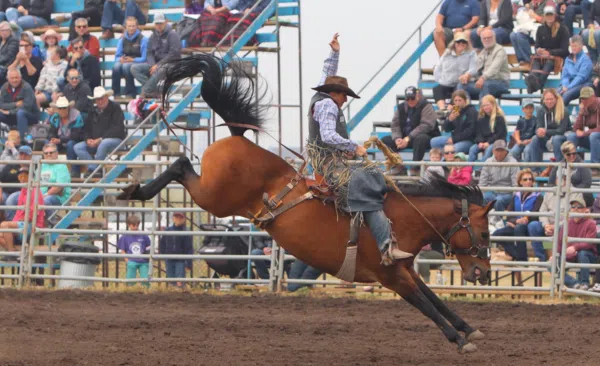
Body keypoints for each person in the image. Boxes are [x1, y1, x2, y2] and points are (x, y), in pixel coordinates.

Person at [306, 33, 412, 265]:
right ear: (336, 93)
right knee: (366, 190)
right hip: (329, 163)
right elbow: (328, 135)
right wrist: (354, 147)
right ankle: (385, 248)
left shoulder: (321, 97)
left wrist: (334, 53)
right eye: (345, 95)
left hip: (325, 159)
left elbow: (327, 74)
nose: (345, 100)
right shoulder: (328, 105)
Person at [492, 169, 544, 266]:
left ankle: (522, 260)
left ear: (533, 181)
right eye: (525, 179)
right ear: (520, 182)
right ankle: (518, 255)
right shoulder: (516, 195)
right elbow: (509, 214)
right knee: (496, 235)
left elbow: (536, 212)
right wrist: (516, 221)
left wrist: (525, 219)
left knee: (519, 228)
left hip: (529, 226)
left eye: (530, 179)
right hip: (516, 224)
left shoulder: (538, 196)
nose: (528, 181)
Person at [381, 86, 440, 173]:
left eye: (412, 98)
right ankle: (397, 165)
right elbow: (395, 124)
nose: (410, 101)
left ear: (418, 96)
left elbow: (426, 125)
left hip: (425, 137)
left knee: (421, 138)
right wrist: (397, 138)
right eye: (408, 99)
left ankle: (415, 168)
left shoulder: (427, 106)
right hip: (405, 138)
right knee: (384, 141)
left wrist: (408, 138)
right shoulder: (401, 107)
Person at [74, 87, 125, 177]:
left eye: (101, 98)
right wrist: (87, 139)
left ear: (106, 97)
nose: (100, 101)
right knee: (77, 147)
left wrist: (101, 139)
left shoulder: (116, 108)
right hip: (96, 141)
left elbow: (117, 129)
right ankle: (95, 168)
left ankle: (94, 170)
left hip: (115, 140)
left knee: (104, 143)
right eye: (98, 99)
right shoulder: (92, 111)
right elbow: (86, 129)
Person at [131, 13, 181, 98]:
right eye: (157, 23)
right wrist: (153, 65)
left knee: (160, 70)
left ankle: (146, 91)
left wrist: (157, 65)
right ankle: (152, 90)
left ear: (165, 22)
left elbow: (173, 54)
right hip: (156, 64)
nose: (159, 25)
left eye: (160, 23)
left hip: (172, 64)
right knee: (134, 68)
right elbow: (149, 52)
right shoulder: (153, 36)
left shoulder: (172, 34)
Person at [524, 6, 570, 93]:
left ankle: (535, 85)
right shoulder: (540, 29)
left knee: (549, 62)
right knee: (536, 60)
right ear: (544, 16)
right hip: (542, 56)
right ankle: (533, 79)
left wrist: (549, 52)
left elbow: (564, 50)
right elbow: (537, 45)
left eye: (551, 15)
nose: (549, 17)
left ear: (555, 15)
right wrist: (538, 50)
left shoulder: (563, 29)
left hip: (557, 57)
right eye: (547, 15)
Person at [0, 167, 44, 256]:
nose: (23, 179)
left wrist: (18, 222)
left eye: (25, 177)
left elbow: (33, 214)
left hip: (32, 225)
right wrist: (15, 223)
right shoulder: (23, 191)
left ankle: (12, 253)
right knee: (2, 231)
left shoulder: (35, 191)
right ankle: (14, 253)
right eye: (20, 177)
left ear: (31, 178)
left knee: (4, 225)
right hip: (23, 223)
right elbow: (19, 212)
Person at [557, 196, 597, 290]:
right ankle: (575, 284)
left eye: (579, 207)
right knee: (552, 264)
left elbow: (589, 243)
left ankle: (584, 283)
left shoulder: (590, 223)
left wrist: (575, 247)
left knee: (583, 253)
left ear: (585, 210)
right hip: (570, 254)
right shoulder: (566, 223)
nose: (575, 209)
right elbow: (559, 241)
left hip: (588, 255)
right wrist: (556, 254)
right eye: (573, 207)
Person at [458, 28, 510, 100]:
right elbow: (476, 68)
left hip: (500, 83)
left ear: (494, 38)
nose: (486, 40)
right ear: (481, 40)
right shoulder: (483, 52)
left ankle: (482, 110)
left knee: (485, 85)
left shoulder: (500, 50)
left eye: (489, 38)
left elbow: (494, 69)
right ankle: (465, 109)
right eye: (484, 38)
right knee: (461, 85)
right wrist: (467, 75)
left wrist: (482, 78)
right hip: (485, 82)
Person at [523, 88, 570, 167]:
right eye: (547, 99)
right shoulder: (540, 110)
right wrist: (539, 131)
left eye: (551, 99)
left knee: (556, 139)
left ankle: (561, 167)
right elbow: (538, 127)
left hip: (561, 137)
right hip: (547, 138)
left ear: (556, 99)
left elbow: (561, 130)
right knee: (535, 138)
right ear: (543, 100)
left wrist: (545, 131)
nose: (549, 101)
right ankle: (535, 170)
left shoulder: (563, 110)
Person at [432, 32, 478, 112]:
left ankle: (450, 110)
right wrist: (440, 80)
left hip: (460, 83)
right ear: (454, 43)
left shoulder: (471, 54)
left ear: (467, 43)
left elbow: (474, 69)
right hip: (446, 83)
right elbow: (438, 68)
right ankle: (442, 110)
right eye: (458, 42)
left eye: (463, 42)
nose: (461, 43)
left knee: (459, 89)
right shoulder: (446, 53)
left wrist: (467, 75)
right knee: (437, 88)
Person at [430, 90, 477, 154]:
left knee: (454, 148)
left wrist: (454, 139)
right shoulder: (455, 111)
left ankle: (445, 161)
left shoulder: (471, 111)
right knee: (434, 141)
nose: (457, 103)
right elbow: (446, 129)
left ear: (465, 101)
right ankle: (442, 160)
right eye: (455, 101)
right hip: (455, 139)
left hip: (468, 140)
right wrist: (449, 119)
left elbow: (470, 131)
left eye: (460, 100)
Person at [47, 97, 85, 178]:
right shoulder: (55, 117)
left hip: (75, 141)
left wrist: (60, 140)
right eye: (60, 108)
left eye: (64, 108)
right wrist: (53, 138)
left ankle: (75, 170)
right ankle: (51, 170)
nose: (62, 110)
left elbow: (76, 135)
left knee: (71, 144)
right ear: (57, 109)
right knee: (49, 145)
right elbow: (51, 132)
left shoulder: (76, 116)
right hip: (60, 141)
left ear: (68, 108)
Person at [479, 139, 520, 212]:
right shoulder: (488, 162)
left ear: (506, 151)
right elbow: (482, 183)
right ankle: (484, 220)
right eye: (497, 150)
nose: (499, 153)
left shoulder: (513, 162)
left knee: (498, 201)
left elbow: (516, 184)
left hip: (507, 193)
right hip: (492, 191)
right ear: (493, 151)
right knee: (482, 198)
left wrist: (514, 201)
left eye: (501, 150)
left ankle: (499, 221)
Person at [548, 141, 594, 206]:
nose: (572, 156)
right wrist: (561, 190)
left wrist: (571, 190)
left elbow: (587, 183)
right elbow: (550, 184)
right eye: (569, 154)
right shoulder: (558, 166)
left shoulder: (582, 165)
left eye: (574, 153)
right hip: (562, 194)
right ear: (563, 154)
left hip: (579, 195)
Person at [113, 16, 148, 98]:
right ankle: (116, 93)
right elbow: (117, 56)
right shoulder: (122, 39)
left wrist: (133, 59)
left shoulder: (143, 39)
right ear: (126, 27)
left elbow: (144, 58)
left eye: (133, 26)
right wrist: (120, 59)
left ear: (137, 26)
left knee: (126, 66)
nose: (131, 28)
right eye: (129, 26)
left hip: (138, 62)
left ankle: (130, 93)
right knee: (116, 66)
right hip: (125, 60)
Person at [565, 86, 600, 166]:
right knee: (572, 136)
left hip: (595, 137)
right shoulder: (585, 108)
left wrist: (585, 133)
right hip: (593, 139)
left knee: (593, 136)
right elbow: (576, 129)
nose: (584, 100)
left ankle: (595, 166)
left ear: (593, 97)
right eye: (582, 98)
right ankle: (572, 165)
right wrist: (581, 113)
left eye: (586, 98)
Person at [0, 68, 38, 139]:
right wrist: (15, 104)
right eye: (12, 78)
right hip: (13, 115)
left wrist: (9, 112)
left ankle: (22, 140)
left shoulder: (27, 87)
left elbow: (27, 106)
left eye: (16, 77)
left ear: (20, 77)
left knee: (21, 113)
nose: (14, 80)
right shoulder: (4, 87)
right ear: (8, 79)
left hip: (30, 116)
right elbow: (1, 104)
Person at [468, 94, 507, 162]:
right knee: (472, 149)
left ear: (493, 104)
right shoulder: (481, 119)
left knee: (489, 149)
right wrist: (480, 142)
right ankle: (468, 169)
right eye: (484, 105)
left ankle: (481, 168)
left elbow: (499, 134)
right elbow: (478, 133)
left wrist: (488, 143)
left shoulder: (499, 118)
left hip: (497, 142)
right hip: (484, 142)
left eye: (487, 105)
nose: (486, 107)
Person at [158, 212, 193, 287]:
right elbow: (162, 243)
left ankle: (181, 291)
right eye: (176, 217)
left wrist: (189, 263)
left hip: (180, 259)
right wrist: (162, 254)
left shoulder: (185, 232)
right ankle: (173, 293)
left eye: (180, 218)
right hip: (169, 258)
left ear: (184, 220)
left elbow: (189, 248)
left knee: (179, 279)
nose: (178, 219)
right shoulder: (167, 230)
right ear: (173, 218)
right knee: (171, 279)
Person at [39, 143, 71, 220]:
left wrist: (44, 195)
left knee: (45, 201)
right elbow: (34, 182)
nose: (48, 154)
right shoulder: (41, 166)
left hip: (58, 197)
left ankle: (52, 223)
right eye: (46, 153)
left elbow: (59, 187)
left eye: (51, 152)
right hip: (40, 195)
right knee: (13, 198)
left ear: (56, 153)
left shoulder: (61, 166)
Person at [117, 215, 151, 287]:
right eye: (133, 225)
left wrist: (147, 258)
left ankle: (146, 289)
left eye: (137, 225)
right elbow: (122, 250)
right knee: (130, 278)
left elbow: (149, 248)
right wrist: (127, 260)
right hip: (131, 261)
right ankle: (130, 289)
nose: (136, 227)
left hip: (143, 261)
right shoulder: (125, 236)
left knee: (145, 278)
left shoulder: (144, 235)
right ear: (129, 225)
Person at [559, 35, 593, 106]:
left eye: (575, 46)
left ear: (581, 46)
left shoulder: (586, 59)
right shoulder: (568, 59)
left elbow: (581, 77)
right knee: (553, 95)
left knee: (566, 95)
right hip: (569, 84)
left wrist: (568, 87)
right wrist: (565, 85)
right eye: (572, 46)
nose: (573, 48)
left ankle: (559, 115)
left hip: (583, 84)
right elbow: (565, 75)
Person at [3, 146, 31, 220]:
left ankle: (11, 226)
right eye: (21, 154)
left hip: (22, 192)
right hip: (5, 191)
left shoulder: (33, 166)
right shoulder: (12, 164)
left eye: (26, 155)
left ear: (30, 156)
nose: (23, 156)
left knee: (10, 200)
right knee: (4, 198)